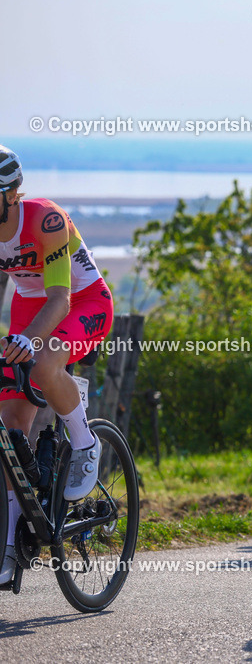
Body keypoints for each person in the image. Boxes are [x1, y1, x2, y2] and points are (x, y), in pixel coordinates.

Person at [0, 145, 113, 584]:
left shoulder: (45, 219)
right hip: (30, 307)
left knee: (45, 366)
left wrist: (28, 340)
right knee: (10, 426)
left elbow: (61, 297)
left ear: (10, 194)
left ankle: (85, 441)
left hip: (82, 302)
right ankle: (10, 547)